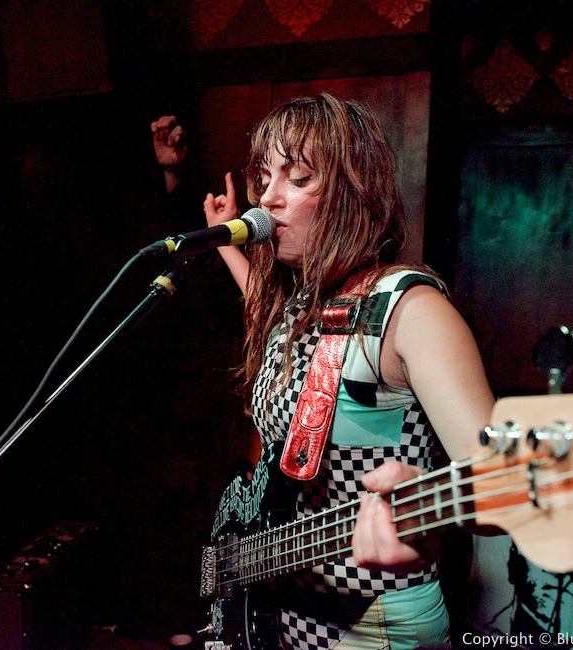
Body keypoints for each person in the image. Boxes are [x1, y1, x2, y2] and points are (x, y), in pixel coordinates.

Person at [203, 93, 496, 649]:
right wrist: (222, 241)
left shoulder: (409, 311)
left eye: (298, 178)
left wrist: (426, 502)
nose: (267, 198)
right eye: (264, 179)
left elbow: (498, 492)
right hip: (285, 610)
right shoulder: (302, 305)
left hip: (373, 621)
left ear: (353, 192)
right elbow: (271, 327)